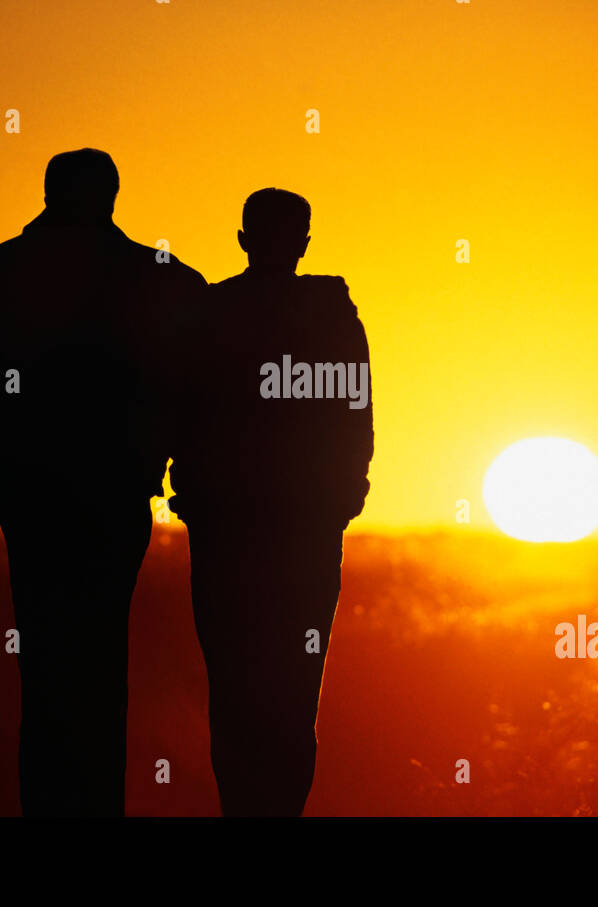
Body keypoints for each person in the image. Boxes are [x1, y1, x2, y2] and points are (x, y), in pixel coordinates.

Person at [0, 149, 205, 816]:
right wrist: (167, 452)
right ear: (111, 196)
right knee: (99, 659)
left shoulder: (6, 268)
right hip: (113, 495)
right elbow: (202, 357)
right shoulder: (153, 275)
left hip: (34, 496)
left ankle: (50, 804)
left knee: (48, 658)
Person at [170, 188, 373, 816]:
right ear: (305, 242)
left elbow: (180, 414)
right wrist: (338, 499)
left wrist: (194, 497)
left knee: (234, 690)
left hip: (231, 535)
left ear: (242, 240)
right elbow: (355, 422)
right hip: (302, 537)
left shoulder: (210, 314)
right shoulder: (335, 319)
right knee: (292, 693)